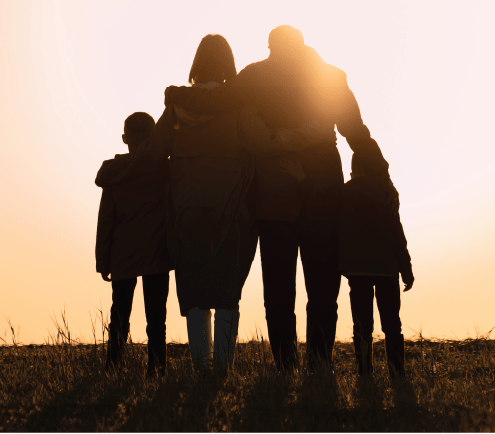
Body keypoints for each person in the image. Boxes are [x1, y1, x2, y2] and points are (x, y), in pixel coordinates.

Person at [164, 25, 389, 372]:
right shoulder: (330, 77)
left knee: (279, 295)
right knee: (322, 294)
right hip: (322, 196)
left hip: (274, 199)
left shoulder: (256, 75)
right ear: (302, 45)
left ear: (271, 46)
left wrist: (179, 95)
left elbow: (215, 100)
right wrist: (380, 175)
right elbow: (356, 132)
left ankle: (286, 365)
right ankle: (318, 362)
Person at [141, 34, 258, 373]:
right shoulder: (240, 105)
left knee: (194, 292)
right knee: (226, 291)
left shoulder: (178, 106)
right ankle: (222, 366)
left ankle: (201, 366)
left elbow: (153, 152)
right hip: (231, 209)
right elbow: (257, 144)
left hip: (187, 210)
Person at [281, 151, 415, 401]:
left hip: (358, 271)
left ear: (355, 170)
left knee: (362, 326)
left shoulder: (345, 193)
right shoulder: (388, 195)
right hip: (387, 270)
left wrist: (301, 179)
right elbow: (398, 235)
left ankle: (365, 373)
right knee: (392, 325)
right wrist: (406, 269)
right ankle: (398, 374)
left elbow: (320, 202)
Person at [95, 112, 173, 377]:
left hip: (123, 254)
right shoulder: (165, 169)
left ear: (124, 138)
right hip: (157, 252)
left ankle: (113, 368)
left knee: (119, 317)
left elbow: (106, 220)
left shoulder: (113, 174)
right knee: (156, 319)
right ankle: (157, 369)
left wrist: (102, 260)